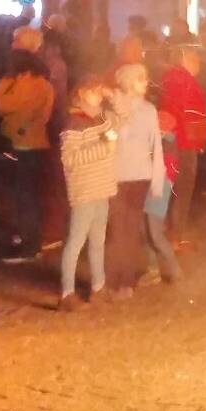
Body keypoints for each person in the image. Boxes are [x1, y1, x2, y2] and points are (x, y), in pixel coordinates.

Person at [0, 31, 56, 262]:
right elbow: (46, 115)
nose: (11, 45)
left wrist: (5, 82)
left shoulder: (20, 82)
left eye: (15, 41)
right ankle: (30, 238)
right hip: (37, 142)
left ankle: (29, 245)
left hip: (21, 144)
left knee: (24, 196)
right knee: (30, 195)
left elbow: (0, 105)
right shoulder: (45, 82)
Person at [56, 76, 118, 309]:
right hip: (84, 190)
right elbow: (70, 159)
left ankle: (98, 287)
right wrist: (103, 147)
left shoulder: (99, 118)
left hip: (101, 188)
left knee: (98, 241)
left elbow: (119, 122)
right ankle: (66, 294)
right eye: (94, 91)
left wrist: (112, 97)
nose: (99, 95)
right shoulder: (73, 123)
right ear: (81, 93)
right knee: (76, 241)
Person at [106, 61, 166, 295]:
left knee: (130, 229)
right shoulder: (112, 110)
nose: (145, 82)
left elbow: (157, 147)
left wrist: (157, 180)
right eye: (141, 78)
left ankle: (126, 281)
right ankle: (115, 277)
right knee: (119, 229)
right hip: (117, 176)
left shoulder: (149, 110)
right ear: (129, 82)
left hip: (140, 176)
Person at [157, 43, 206, 235]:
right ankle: (175, 234)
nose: (199, 65)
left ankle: (156, 229)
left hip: (169, 138)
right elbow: (193, 115)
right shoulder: (187, 82)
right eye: (196, 60)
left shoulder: (169, 78)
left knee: (165, 185)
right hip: (185, 141)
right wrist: (201, 141)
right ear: (185, 60)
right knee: (184, 188)